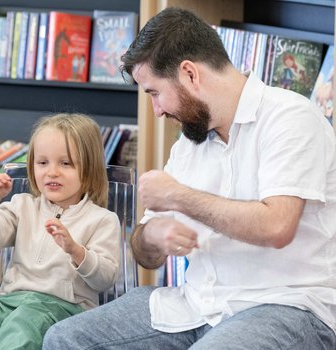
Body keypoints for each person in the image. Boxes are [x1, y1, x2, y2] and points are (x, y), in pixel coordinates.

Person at [43, 7, 336, 350]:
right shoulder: (189, 143)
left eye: (154, 92)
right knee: (63, 338)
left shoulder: (291, 117)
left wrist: (179, 197)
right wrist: (153, 236)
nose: (157, 111)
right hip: (193, 305)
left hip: (287, 306)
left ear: (189, 74)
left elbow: (277, 226)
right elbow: (143, 251)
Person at [0, 113, 121, 349]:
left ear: (89, 168)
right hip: (9, 301)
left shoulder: (103, 220)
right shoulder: (22, 204)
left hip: (64, 309)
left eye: (65, 163)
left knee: (21, 326)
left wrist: (76, 251)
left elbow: (105, 279)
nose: (52, 172)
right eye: (42, 162)